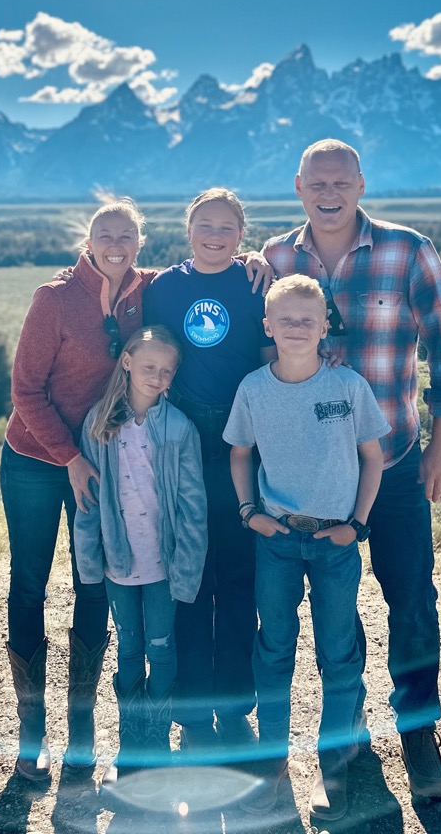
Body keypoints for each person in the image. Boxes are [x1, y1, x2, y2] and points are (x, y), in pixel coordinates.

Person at [261, 139, 441, 799]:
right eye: (316, 182)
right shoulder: (272, 259)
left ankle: (419, 735)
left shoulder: (407, 249)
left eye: (340, 182)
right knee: (335, 607)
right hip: (313, 475)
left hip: (399, 459)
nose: (329, 193)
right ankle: (345, 728)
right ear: (299, 185)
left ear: (359, 183)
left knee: (411, 601)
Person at [225, 275, 387, 823]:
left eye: (307, 320)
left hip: (336, 541)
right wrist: (251, 513)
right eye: (285, 320)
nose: (296, 328)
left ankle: (333, 767)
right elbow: (241, 454)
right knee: (273, 649)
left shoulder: (348, 387)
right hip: (278, 540)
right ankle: (272, 764)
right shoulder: (253, 389)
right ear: (267, 326)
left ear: (325, 326)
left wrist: (358, 526)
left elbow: (373, 458)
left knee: (338, 654)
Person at [0, 198, 151, 781]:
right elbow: (25, 391)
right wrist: (68, 458)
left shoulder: (144, 291)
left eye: (126, 235)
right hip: (36, 460)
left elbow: (200, 268)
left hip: (101, 463)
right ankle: (30, 736)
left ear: (140, 242)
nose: (116, 243)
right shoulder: (55, 298)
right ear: (88, 240)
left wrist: (249, 260)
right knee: (29, 584)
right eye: (104, 234)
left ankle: (81, 738)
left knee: (95, 583)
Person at [143, 187, 275, 759]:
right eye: (204, 224)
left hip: (243, 440)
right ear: (188, 227)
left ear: (242, 235)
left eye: (226, 227)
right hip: (181, 440)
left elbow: (275, 355)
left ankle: (234, 703)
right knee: (189, 573)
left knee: (240, 575)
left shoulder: (254, 284)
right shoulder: (166, 288)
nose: (215, 235)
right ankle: (193, 708)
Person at [74, 326, 208, 782]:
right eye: (149, 367)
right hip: (119, 562)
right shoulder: (97, 424)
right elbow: (88, 503)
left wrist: (186, 571)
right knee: (129, 647)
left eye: (166, 371)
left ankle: (158, 748)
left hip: (163, 565)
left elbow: (193, 508)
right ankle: (131, 752)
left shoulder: (178, 428)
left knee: (162, 645)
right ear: (127, 362)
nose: (157, 377)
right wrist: (90, 565)